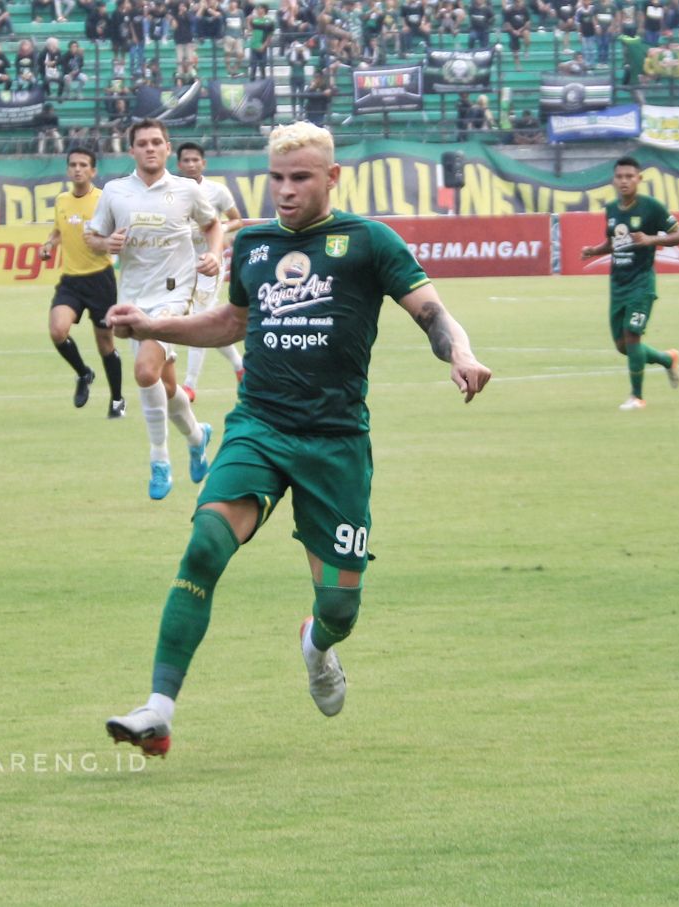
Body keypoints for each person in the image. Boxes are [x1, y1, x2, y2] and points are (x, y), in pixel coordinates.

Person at [103, 121, 491, 757]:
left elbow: (431, 311)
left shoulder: (369, 242)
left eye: (301, 178)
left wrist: (461, 353)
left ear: (331, 178)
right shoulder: (253, 244)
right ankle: (158, 709)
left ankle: (317, 645)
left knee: (340, 607)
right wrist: (154, 324)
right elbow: (232, 321)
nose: (284, 190)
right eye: (277, 177)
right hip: (260, 426)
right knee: (204, 545)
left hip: (335, 444)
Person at [84, 118, 222, 500]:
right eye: (142, 143)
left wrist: (212, 254)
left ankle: (159, 459)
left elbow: (213, 226)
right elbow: (92, 237)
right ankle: (197, 437)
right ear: (132, 150)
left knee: (145, 372)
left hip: (175, 297)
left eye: (156, 142)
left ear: (167, 148)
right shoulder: (114, 192)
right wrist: (105, 242)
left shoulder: (185, 190)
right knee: (166, 384)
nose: (150, 148)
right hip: (132, 297)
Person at [579, 156, 679, 410]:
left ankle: (637, 397)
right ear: (614, 180)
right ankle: (667, 359)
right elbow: (614, 242)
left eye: (629, 176)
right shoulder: (612, 209)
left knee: (633, 335)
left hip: (641, 283)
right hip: (618, 285)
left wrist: (650, 240)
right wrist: (594, 250)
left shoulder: (652, 207)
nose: (624, 181)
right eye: (619, 177)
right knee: (624, 346)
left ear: (639, 179)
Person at [40, 148, 126, 419]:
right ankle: (84, 373)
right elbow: (58, 230)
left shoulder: (104, 199)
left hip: (100, 280)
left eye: (83, 165)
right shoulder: (62, 200)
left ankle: (117, 399)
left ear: (93, 170)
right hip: (71, 280)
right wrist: (49, 244)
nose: (78, 169)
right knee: (57, 331)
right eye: (73, 165)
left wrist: (105, 244)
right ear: (68, 169)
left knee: (105, 344)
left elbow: (116, 236)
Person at [174, 142, 245, 400]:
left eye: (196, 160)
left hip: (210, 264)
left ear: (204, 163)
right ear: (179, 164)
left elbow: (237, 219)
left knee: (197, 321)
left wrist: (220, 230)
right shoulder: (171, 191)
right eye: (186, 160)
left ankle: (190, 385)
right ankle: (240, 367)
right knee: (205, 322)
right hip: (182, 266)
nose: (191, 164)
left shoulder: (217, 191)